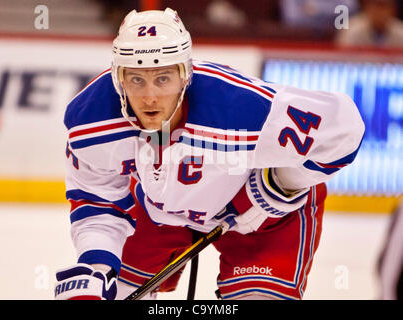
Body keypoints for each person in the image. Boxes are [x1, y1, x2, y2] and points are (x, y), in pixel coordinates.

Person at [54, 8, 365, 300]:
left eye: (163, 78)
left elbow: (344, 129)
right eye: (136, 79)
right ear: (118, 79)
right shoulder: (90, 122)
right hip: (160, 210)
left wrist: (281, 182)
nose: (149, 96)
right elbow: (97, 199)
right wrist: (97, 266)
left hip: (266, 220)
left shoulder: (240, 108)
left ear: (186, 75)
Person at [336, 0, 403, 47]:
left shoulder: (401, 32)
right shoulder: (351, 30)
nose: (379, 11)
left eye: (383, 6)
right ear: (366, 7)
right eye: (375, 5)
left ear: (393, 9)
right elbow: (342, 59)